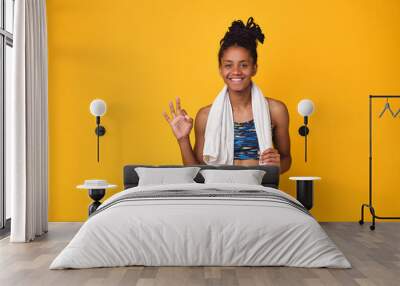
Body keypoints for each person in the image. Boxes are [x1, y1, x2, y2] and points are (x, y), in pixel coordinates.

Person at [163, 17, 291, 174]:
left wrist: (277, 165)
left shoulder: (276, 110)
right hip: (219, 195)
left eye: (243, 65)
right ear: (220, 69)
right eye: (228, 65)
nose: (236, 72)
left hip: (260, 194)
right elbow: (197, 173)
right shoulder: (206, 116)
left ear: (254, 68)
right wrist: (183, 139)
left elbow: (286, 159)